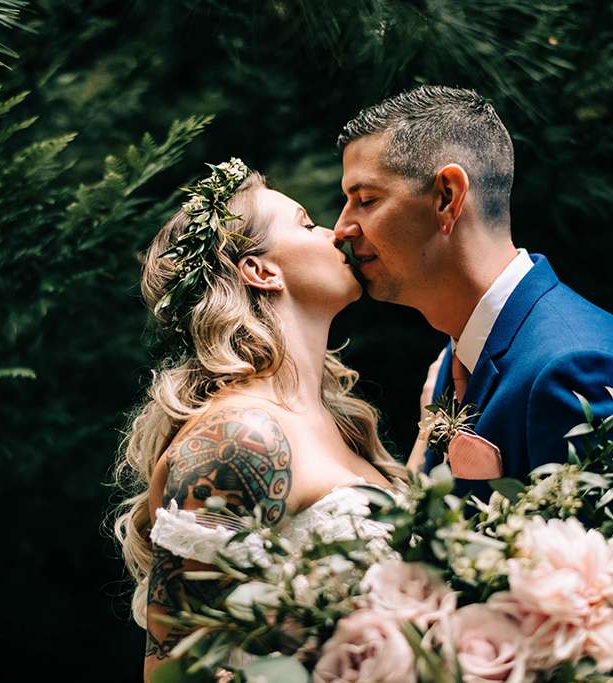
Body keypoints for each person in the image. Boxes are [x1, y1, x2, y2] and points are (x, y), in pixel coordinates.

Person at [110, 160, 408, 681]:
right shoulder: (239, 438)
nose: (335, 232)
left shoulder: (337, 425)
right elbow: (175, 671)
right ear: (261, 271)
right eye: (306, 223)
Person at [333, 85, 613, 502]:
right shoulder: (457, 357)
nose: (342, 228)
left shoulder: (578, 367)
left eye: (366, 199)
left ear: (447, 197)